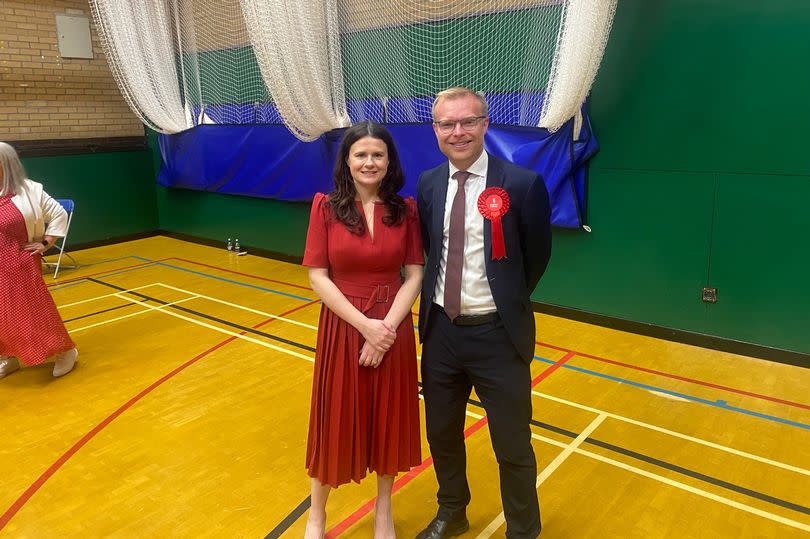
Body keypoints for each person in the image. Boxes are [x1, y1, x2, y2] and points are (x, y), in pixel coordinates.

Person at [414, 87, 552, 539]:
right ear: (435, 130)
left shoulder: (521, 185)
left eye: (467, 121)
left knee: (512, 445)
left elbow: (535, 258)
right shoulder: (429, 183)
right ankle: (452, 511)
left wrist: (502, 302)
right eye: (447, 124)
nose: (458, 132)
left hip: (498, 336)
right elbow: (432, 250)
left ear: (485, 124)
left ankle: (522, 531)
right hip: (442, 335)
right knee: (442, 435)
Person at [302, 121, 424, 539]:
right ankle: (317, 515)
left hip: (393, 328)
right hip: (344, 328)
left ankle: (384, 511)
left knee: (389, 419)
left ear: (389, 161)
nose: (369, 162)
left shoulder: (405, 210)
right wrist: (365, 328)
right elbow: (318, 277)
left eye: (378, 155)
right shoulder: (324, 208)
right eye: (361, 155)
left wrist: (386, 329)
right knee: (334, 420)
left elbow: (413, 275)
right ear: (348, 161)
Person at [0, 141, 78, 379]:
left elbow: (58, 213)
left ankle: (66, 351)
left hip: (19, 262)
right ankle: (8, 356)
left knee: (33, 311)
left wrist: (45, 243)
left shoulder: (29, 191)